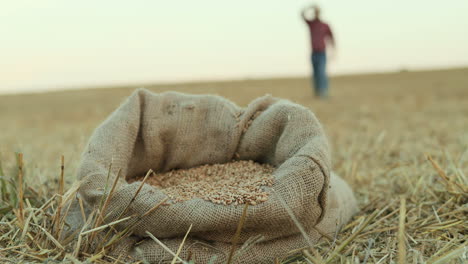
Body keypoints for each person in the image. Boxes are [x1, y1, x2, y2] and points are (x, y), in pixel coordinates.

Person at [301, 5, 335, 98]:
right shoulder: (312, 24)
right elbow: (302, 14)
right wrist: (310, 6)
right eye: (315, 12)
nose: (316, 14)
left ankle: (324, 93)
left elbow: (331, 37)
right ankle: (317, 93)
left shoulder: (325, 25)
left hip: (322, 53)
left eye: (317, 12)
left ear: (319, 13)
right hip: (314, 53)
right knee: (315, 74)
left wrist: (333, 50)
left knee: (321, 72)